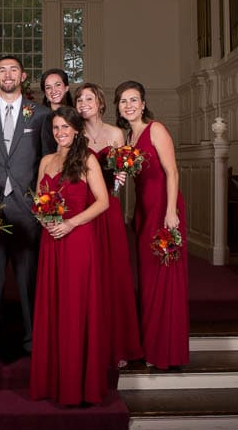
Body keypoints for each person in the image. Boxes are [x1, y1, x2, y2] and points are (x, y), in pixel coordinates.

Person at [0, 56, 54, 355]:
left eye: (13, 70)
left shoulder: (41, 114)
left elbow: (48, 161)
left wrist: (43, 207)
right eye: (2, 70)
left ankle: (33, 342)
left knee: (28, 282)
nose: (8, 75)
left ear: (23, 76)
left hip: (27, 210)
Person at [30, 106, 109, 406]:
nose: (60, 132)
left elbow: (102, 202)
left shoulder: (87, 160)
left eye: (66, 127)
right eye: (56, 128)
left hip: (77, 240)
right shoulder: (46, 161)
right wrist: (44, 220)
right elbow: (39, 201)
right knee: (54, 306)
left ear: (77, 130)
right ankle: (53, 381)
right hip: (51, 240)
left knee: (75, 308)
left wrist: (70, 223)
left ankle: (78, 385)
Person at [115, 80, 189, 370]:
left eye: (134, 100)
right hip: (144, 212)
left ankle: (167, 352)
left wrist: (171, 212)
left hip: (163, 209)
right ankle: (151, 346)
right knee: (148, 281)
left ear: (143, 104)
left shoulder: (155, 129)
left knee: (165, 279)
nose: (129, 105)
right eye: (123, 101)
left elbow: (172, 173)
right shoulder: (127, 137)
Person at [75, 83, 143, 368]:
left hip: (109, 209)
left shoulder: (116, 134)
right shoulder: (73, 133)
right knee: (87, 275)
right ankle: (87, 344)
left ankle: (117, 345)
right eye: (79, 99)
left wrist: (120, 177)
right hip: (82, 209)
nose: (83, 103)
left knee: (113, 274)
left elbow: (121, 173)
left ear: (101, 103)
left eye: (89, 98)